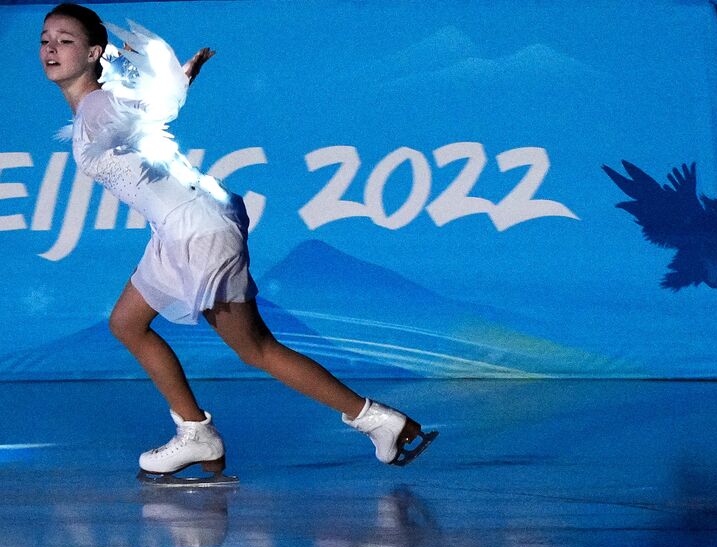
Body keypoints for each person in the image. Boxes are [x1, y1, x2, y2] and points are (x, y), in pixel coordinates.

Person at [40, 4, 435, 481]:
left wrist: (170, 87)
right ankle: (194, 433)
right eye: (45, 40)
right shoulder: (97, 106)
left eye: (64, 39)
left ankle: (377, 421)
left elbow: (143, 109)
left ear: (93, 52)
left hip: (197, 228)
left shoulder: (100, 106)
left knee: (256, 348)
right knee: (127, 323)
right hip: (176, 227)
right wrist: (174, 82)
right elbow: (140, 111)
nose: (50, 48)